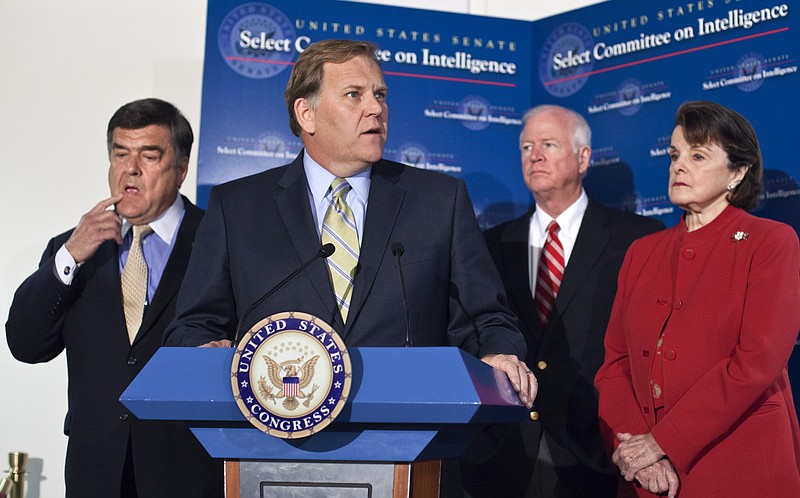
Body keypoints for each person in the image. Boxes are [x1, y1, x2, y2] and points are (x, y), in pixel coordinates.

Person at [163, 39, 535, 408]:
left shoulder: (439, 201)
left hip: (408, 436)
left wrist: (498, 354)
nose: (376, 108)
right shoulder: (238, 208)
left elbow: (488, 318)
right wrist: (202, 350)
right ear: (307, 114)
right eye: (354, 95)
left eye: (381, 94)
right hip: (277, 443)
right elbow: (193, 325)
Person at [6, 98, 223, 498]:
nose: (130, 169)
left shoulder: (217, 240)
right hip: (97, 472)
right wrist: (69, 256)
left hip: (186, 469)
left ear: (180, 169)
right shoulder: (73, 249)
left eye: (149, 155)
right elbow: (26, 343)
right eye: (120, 154)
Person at [595, 100, 800, 497]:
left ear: (737, 172)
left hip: (739, 466)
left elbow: (756, 362)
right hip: (648, 477)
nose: (678, 165)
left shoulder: (771, 242)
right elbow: (615, 364)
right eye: (675, 154)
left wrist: (662, 442)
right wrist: (635, 447)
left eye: (698, 154)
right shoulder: (642, 252)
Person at [460, 105, 664, 498]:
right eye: (526, 147)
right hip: (505, 453)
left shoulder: (637, 240)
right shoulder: (491, 244)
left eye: (548, 144)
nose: (534, 155)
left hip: (596, 450)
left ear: (583, 157)